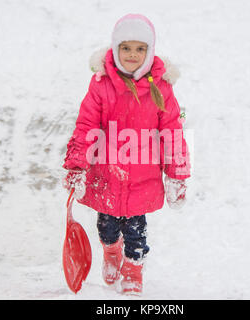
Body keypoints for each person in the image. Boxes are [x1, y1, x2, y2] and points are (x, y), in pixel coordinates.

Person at [62, 13, 191, 295]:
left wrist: (176, 174)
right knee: (106, 227)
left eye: (140, 49)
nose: (132, 54)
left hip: (142, 177)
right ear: (116, 48)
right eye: (126, 48)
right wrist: (76, 166)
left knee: (136, 231)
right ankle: (111, 253)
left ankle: (133, 269)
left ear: (150, 50)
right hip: (106, 175)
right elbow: (86, 126)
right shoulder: (101, 85)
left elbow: (172, 131)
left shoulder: (161, 87)